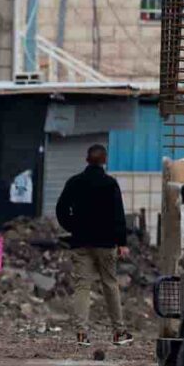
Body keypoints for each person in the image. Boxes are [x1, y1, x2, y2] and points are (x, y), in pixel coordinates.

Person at [56, 144, 133, 347]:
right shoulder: (110, 184)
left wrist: (73, 227)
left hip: (80, 242)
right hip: (106, 243)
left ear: (86, 159)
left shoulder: (75, 182)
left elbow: (61, 210)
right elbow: (119, 215)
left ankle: (82, 334)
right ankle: (119, 332)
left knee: (82, 286)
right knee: (110, 284)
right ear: (105, 160)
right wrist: (122, 242)